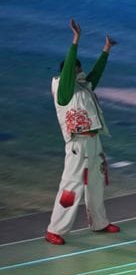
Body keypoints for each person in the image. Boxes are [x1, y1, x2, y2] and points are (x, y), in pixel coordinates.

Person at [45, 19, 120, 245]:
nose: (81, 73)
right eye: (76, 70)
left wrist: (105, 51)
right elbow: (69, 71)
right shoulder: (63, 90)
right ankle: (54, 229)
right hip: (77, 145)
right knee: (71, 186)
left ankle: (99, 222)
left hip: (93, 141)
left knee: (96, 183)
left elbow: (95, 75)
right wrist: (75, 40)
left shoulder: (82, 86)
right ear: (70, 71)